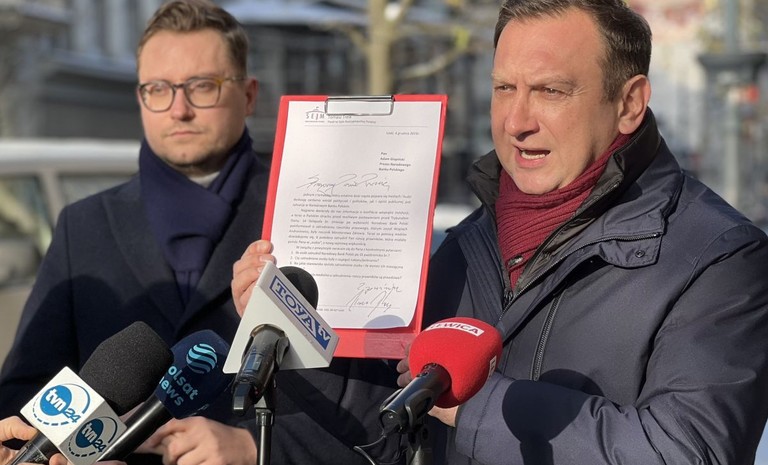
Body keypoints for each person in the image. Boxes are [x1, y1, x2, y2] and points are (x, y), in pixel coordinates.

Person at [0, 1, 402, 465]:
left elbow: (379, 412)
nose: (179, 109)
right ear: (140, 98)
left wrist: (256, 448)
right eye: (158, 89)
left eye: (203, 86)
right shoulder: (83, 224)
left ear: (248, 95)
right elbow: (23, 392)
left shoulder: (315, 214)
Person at [398, 0, 768, 464]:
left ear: (629, 104)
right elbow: (370, 435)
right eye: (504, 88)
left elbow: (688, 453)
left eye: (550, 91)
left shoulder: (719, 259)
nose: (516, 122)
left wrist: (482, 407)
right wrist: (314, 341)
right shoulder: (463, 247)